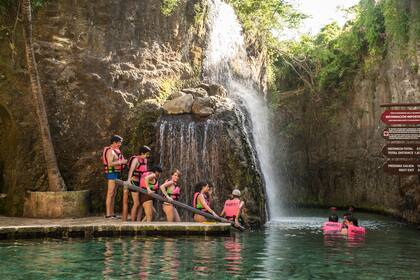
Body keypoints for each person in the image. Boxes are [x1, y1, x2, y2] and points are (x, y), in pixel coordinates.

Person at [123, 145, 151, 221]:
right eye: (147, 154)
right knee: (137, 203)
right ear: (142, 153)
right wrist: (128, 180)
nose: (148, 156)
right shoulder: (136, 160)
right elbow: (131, 170)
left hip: (141, 183)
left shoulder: (145, 160)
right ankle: (132, 221)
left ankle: (138, 221)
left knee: (141, 203)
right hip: (134, 181)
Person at [102, 135, 127, 218]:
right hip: (111, 173)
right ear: (114, 142)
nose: (120, 144)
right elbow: (110, 164)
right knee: (110, 193)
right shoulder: (110, 151)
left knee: (114, 194)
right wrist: (122, 162)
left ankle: (112, 213)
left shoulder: (116, 150)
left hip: (116, 173)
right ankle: (108, 214)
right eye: (119, 142)